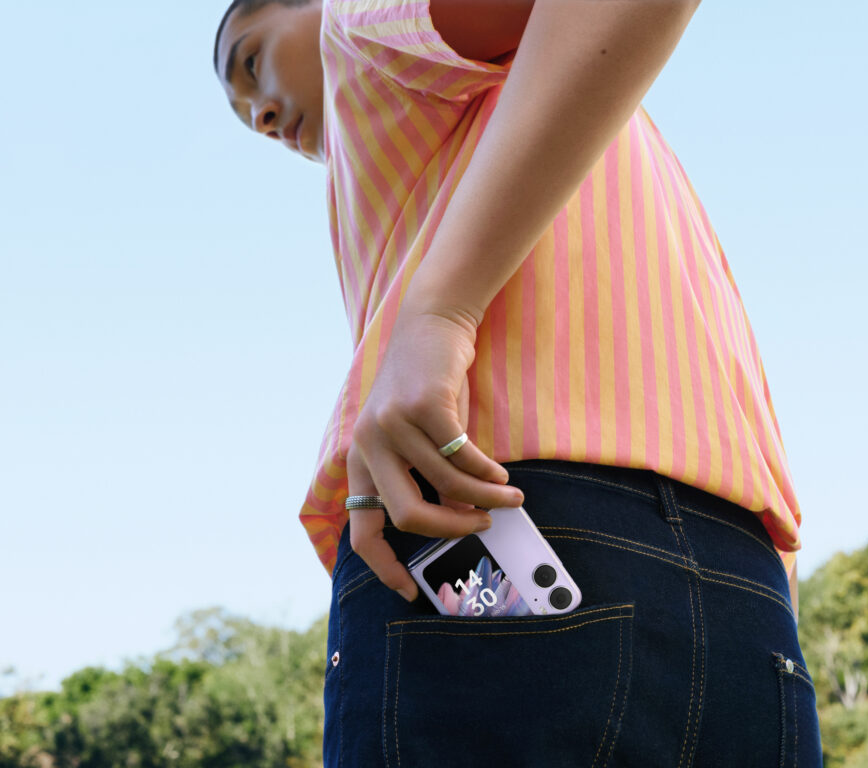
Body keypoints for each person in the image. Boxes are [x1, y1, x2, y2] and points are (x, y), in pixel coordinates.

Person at [214, 0, 823, 765]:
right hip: (744, 597)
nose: (262, 116)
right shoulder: (620, 142)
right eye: (244, 116)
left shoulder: (359, 30)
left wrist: (440, 309)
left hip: (494, 520)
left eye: (250, 62)